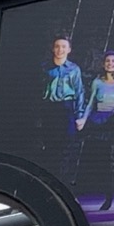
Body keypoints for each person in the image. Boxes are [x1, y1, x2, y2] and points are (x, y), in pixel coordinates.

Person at [75, 50, 114, 212]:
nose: (110, 64)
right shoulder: (97, 82)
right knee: (98, 160)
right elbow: (90, 103)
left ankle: (109, 197)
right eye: (108, 61)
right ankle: (92, 193)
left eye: (113, 62)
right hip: (98, 120)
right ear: (103, 63)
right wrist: (83, 119)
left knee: (109, 160)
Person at [39, 36, 84, 185]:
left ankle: (64, 181)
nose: (60, 50)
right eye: (57, 46)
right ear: (53, 49)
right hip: (49, 109)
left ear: (69, 49)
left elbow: (79, 92)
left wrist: (80, 115)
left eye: (64, 47)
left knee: (67, 145)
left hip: (66, 108)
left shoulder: (74, 69)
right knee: (50, 144)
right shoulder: (45, 67)